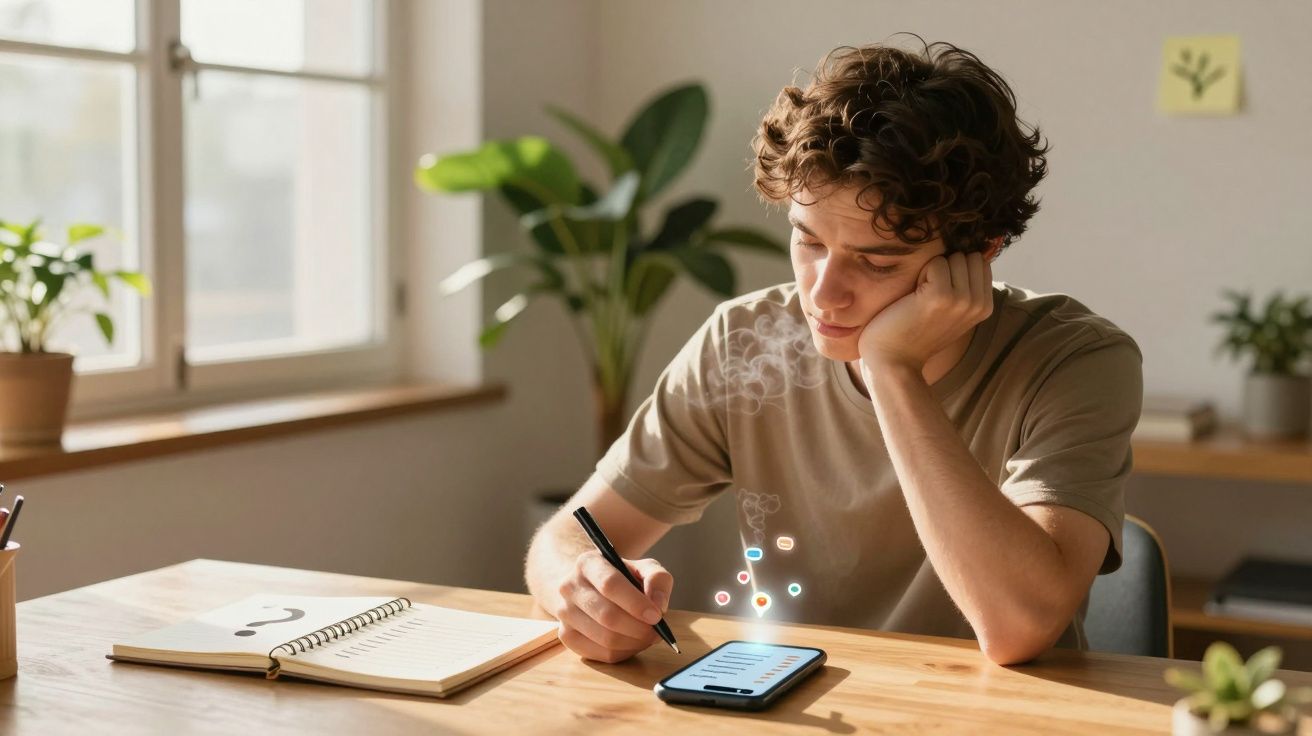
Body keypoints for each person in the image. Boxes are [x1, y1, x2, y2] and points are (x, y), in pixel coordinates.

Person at [524, 38, 1143, 666]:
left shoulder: (1077, 362)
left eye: (877, 262)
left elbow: (1019, 628)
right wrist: (581, 585)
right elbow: (566, 538)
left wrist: (892, 368)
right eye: (809, 241)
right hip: (791, 697)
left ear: (981, 252)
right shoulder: (744, 340)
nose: (822, 294)